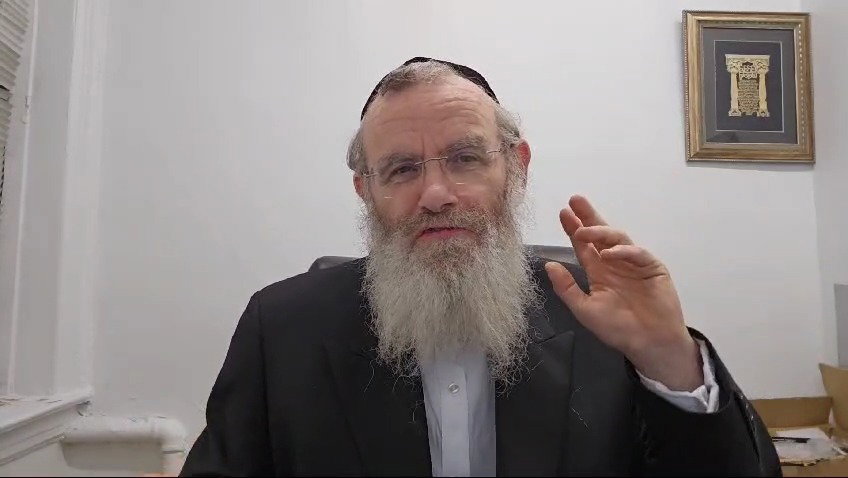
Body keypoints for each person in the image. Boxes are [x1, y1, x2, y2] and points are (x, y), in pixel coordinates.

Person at [180, 57, 779, 476]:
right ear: (366, 191)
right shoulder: (281, 328)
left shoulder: (607, 315)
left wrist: (670, 361)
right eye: (402, 170)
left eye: (465, 158)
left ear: (516, 168)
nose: (436, 194)